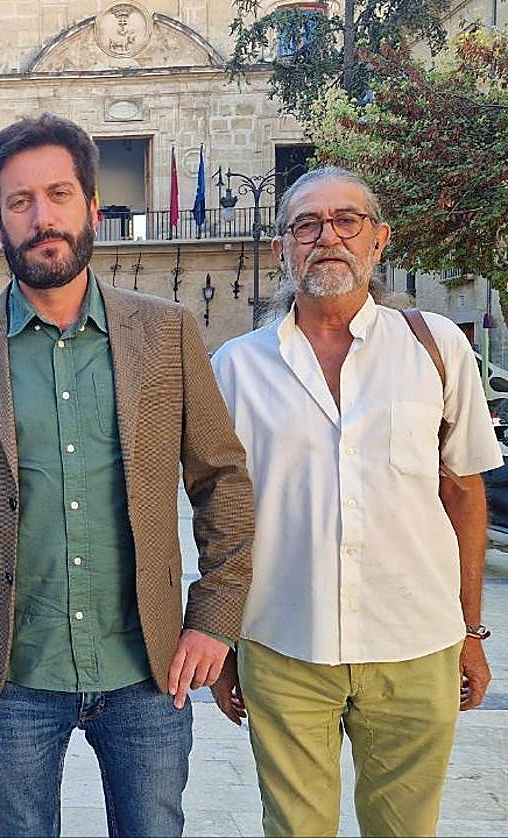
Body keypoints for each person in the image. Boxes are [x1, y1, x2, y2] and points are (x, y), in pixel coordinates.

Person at [0, 114, 254, 837]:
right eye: (20, 202)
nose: (43, 218)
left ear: (92, 206)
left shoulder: (166, 332)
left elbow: (222, 478)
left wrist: (214, 618)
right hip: (12, 675)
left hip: (148, 668)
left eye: (59, 194)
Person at [210, 166, 500, 836]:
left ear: (378, 239)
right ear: (282, 247)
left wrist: (471, 631)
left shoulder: (434, 347)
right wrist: (220, 638)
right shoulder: (237, 366)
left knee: (405, 829)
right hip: (283, 644)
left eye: (347, 220)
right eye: (307, 225)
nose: (328, 237)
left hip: (415, 643)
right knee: (295, 829)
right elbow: (221, 515)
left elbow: (463, 492)